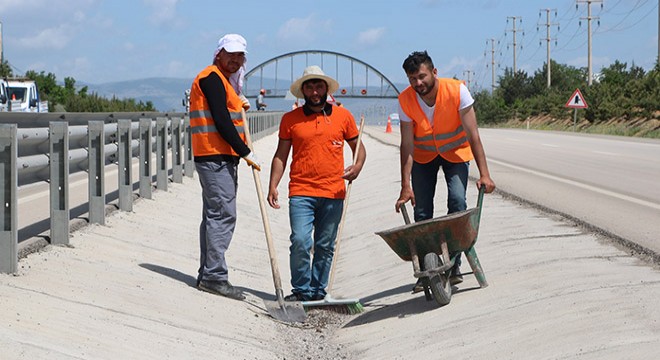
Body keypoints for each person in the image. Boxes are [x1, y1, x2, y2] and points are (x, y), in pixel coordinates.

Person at [394, 51, 496, 291]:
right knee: (421, 212)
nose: (418, 83)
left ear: (434, 72)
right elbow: (407, 144)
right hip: (423, 157)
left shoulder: (457, 91)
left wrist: (485, 174)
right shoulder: (406, 100)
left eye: (421, 76)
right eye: (412, 79)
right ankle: (426, 271)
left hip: (456, 154)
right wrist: (405, 186)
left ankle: (454, 265)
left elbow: (473, 135)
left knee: (457, 201)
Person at [267, 65, 366, 302]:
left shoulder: (344, 116)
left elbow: (358, 148)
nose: (314, 91)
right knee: (300, 241)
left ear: (326, 89)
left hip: (334, 191)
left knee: (325, 245)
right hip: (301, 191)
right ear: (302, 91)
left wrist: (358, 166)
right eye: (309, 86)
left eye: (318, 86)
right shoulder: (290, 119)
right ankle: (302, 291)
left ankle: (318, 292)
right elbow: (281, 155)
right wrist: (273, 184)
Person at [188, 33, 260, 301]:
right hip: (214, 156)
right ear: (219, 53)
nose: (235, 60)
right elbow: (220, 119)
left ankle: (207, 273)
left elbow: (228, 111)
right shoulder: (211, 78)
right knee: (223, 214)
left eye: (240, 56)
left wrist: (238, 101)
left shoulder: (225, 82)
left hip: (220, 156)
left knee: (214, 215)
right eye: (230, 54)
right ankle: (214, 277)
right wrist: (245, 152)